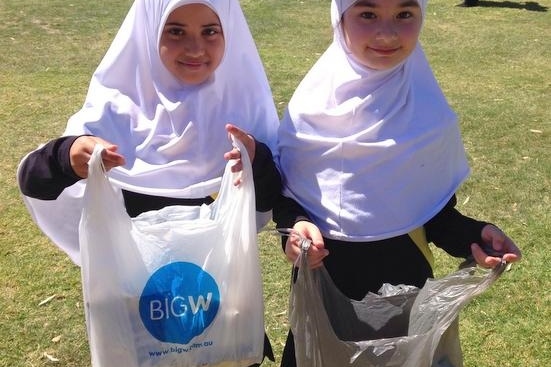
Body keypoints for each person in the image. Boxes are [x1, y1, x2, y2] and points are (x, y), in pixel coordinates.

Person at [17, 0, 279, 365]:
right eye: (175, 31)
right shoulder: (117, 108)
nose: (195, 48)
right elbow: (34, 180)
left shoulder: (239, 107)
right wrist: (69, 155)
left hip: (215, 308)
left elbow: (271, 200)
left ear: (229, 34)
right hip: (134, 314)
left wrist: (257, 161)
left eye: (210, 31)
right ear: (148, 31)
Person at [273, 0, 522, 366]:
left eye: (404, 15)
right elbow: (287, 199)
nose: (387, 33)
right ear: (339, 18)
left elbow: (433, 213)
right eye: (367, 14)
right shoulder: (307, 113)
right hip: (325, 295)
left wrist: (475, 234)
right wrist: (294, 229)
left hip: (406, 296)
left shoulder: (426, 113)